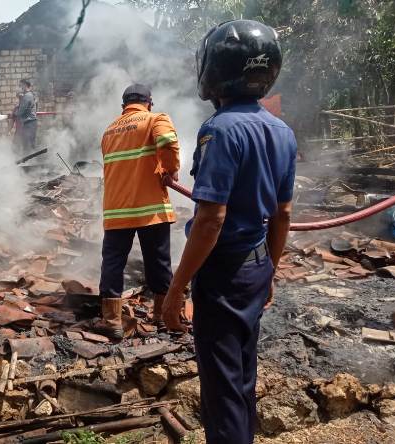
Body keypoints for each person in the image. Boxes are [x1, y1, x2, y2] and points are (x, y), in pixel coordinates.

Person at [161, 20, 296, 443]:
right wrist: (270, 271)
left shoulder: (219, 130)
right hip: (256, 266)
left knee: (220, 389)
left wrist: (176, 288)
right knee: (241, 374)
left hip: (224, 274)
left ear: (216, 69)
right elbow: (283, 215)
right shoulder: (283, 132)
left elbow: (210, 220)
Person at [96, 83, 180, 339]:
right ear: (149, 102)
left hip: (116, 210)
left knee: (112, 263)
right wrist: (170, 169)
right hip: (150, 208)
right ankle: (162, 317)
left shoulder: (109, 130)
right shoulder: (156, 119)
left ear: (123, 107)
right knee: (158, 262)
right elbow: (168, 142)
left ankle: (112, 322)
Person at [16, 79, 37, 152]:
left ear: (25, 85)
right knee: (31, 145)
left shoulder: (27, 96)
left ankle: (29, 161)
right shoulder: (30, 95)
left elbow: (21, 112)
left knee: (27, 146)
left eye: (20, 85)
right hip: (31, 123)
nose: (20, 87)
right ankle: (33, 161)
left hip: (29, 124)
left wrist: (15, 113)